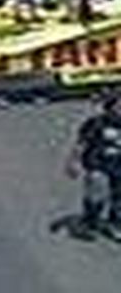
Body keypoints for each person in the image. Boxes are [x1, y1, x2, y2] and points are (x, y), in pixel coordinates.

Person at [65, 94, 121, 241]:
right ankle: (89, 221)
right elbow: (82, 143)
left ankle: (115, 224)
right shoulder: (97, 123)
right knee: (97, 193)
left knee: (119, 198)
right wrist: (73, 162)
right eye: (119, 105)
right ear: (111, 107)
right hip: (98, 164)